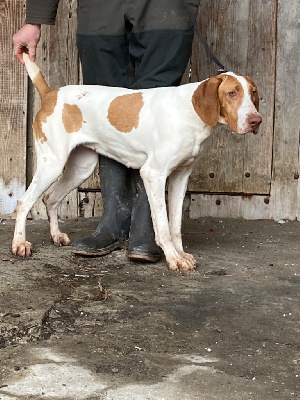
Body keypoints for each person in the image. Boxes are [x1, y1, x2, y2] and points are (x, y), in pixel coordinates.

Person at [13, 0, 200, 263]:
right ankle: (113, 219)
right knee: (102, 114)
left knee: (160, 110)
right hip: (101, 8)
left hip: (165, 8)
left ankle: (147, 228)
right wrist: (35, 18)